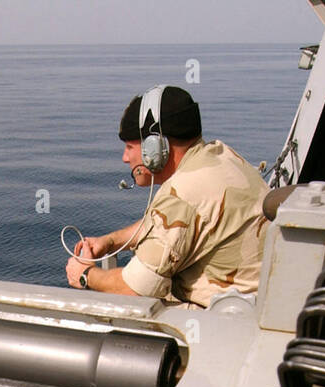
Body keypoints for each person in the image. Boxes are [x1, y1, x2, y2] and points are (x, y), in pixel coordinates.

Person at [65, 85, 270, 308]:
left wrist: (86, 274)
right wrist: (112, 241)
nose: (125, 158)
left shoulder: (182, 194)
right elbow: (164, 225)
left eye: (129, 147)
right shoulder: (220, 155)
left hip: (229, 322)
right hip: (260, 304)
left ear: (154, 147)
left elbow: (135, 288)